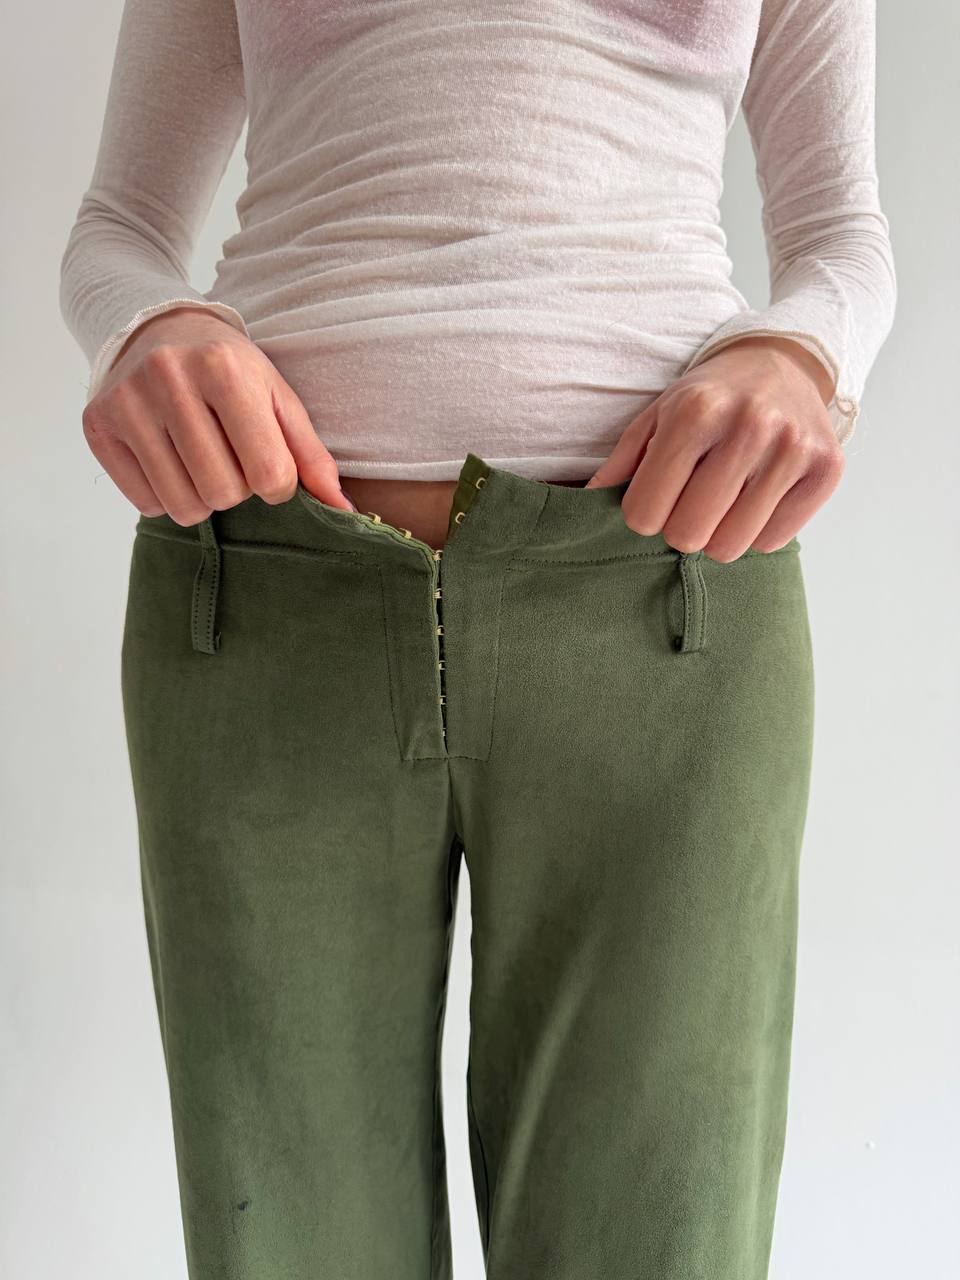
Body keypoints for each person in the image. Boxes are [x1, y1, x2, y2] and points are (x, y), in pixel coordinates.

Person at [59, 1, 896, 1276]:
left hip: (666, 599)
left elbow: (842, 234)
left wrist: (800, 352)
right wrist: (149, 326)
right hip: (271, 590)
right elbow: (120, 226)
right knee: (282, 1240)